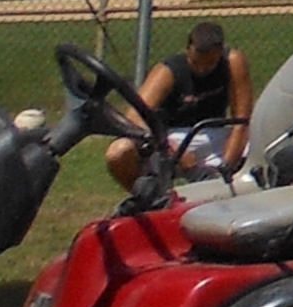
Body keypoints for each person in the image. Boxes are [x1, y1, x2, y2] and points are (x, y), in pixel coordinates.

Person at [100, 21, 241, 190]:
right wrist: (172, 149)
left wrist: (226, 168)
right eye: (196, 63)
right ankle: (150, 198)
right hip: (171, 137)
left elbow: (242, 122)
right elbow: (134, 118)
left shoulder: (232, 62)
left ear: (220, 52)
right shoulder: (169, 71)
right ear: (187, 50)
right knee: (118, 153)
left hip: (215, 135)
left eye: (210, 63)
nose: (202, 69)